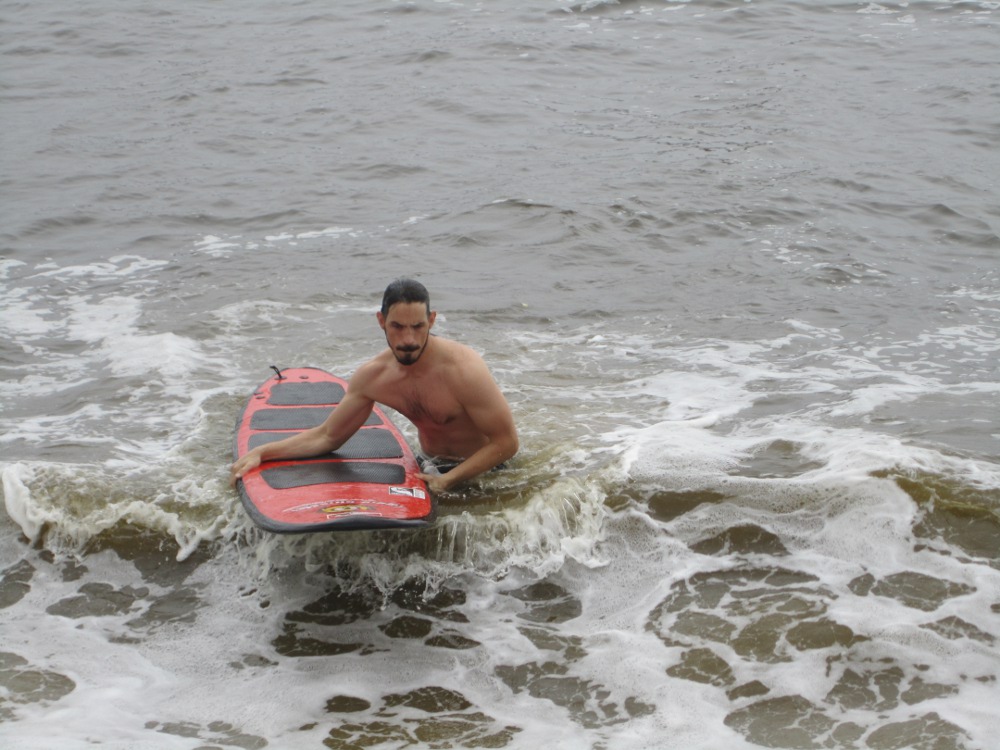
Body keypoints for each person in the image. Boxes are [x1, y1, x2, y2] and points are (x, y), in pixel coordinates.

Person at [229, 279, 518, 493]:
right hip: (429, 465)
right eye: (397, 327)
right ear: (381, 321)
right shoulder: (374, 377)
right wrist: (262, 453)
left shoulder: (463, 370)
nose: (408, 339)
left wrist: (450, 480)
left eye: (418, 326)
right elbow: (327, 436)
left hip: (489, 473)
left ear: (431, 320)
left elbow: (506, 443)